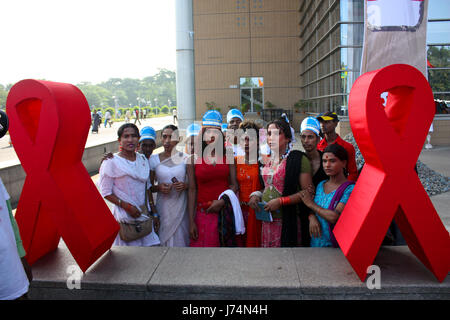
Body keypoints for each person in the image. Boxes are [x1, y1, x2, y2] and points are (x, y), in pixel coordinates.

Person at [248, 118, 313, 247]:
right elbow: (268, 188)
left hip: (288, 222)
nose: (271, 138)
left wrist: (281, 202)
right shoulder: (267, 162)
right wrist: (256, 195)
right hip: (268, 222)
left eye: (276, 133)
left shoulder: (297, 159)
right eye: (269, 133)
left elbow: (308, 192)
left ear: (288, 138)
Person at [98, 123, 160, 246]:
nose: (130, 140)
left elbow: (146, 187)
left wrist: (154, 212)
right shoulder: (111, 162)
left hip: (143, 215)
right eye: (126, 136)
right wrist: (127, 207)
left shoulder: (142, 159)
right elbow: (105, 192)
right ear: (119, 140)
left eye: (134, 136)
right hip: (125, 218)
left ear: (138, 138)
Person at [187, 110, 239, 247]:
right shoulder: (193, 159)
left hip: (224, 212)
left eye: (215, 131)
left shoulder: (228, 155)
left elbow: (234, 185)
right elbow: (192, 191)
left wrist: (221, 202)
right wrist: (191, 221)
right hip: (202, 214)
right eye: (207, 131)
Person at [299, 144, 355, 247]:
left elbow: (334, 217)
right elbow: (315, 210)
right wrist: (311, 217)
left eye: (332, 161)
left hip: (335, 248)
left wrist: (311, 204)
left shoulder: (349, 189)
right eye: (324, 161)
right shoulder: (321, 185)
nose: (327, 165)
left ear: (344, 163)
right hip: (316, 244)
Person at [149, 125, 190, 247]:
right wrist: (159, 187)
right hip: (163, 207)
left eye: (171, 137)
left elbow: (193, 185)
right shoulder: (153, 160)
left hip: (181, 206)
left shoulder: (185, 158)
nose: (167, 141)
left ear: (178, 139)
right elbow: (149, 187)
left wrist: (185, 185)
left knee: (181, 238)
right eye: (164, 137)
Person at [298, 116, 328, 247]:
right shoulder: (297, 161)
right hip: (303, 215)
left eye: (310, 137)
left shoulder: (327, 161)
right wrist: (310, 216)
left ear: (318, 138)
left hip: (325, 214)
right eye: (303, 137)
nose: (306, 141)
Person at [235, 120, 263, 247]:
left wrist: (258, 194)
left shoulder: (263, 162)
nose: (246, 143)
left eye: (250, 140)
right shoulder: (235, 162)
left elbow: (271, 187)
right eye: (243, 139)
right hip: (239, 212)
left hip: (257, 212)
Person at [316, 112, 358, 181]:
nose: (322, 125)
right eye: (321, 122)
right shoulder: (317, 146)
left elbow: (352, 173)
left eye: (326, 122)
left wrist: (344, 187)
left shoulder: (347, 147)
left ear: (336, 123)